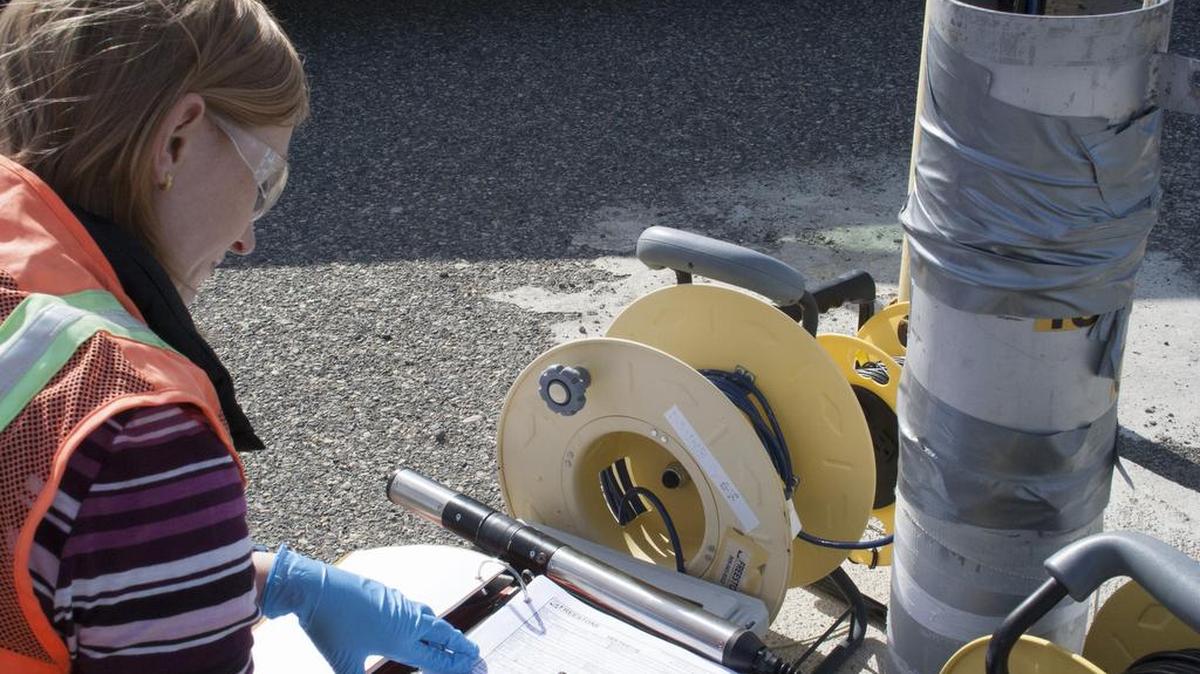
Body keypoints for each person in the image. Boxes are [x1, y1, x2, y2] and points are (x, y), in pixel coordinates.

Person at [0, 1, 479, 673]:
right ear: (176, 140)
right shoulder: (139, 435)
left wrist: (239, 578)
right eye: (261, 181)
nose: (246, 238)